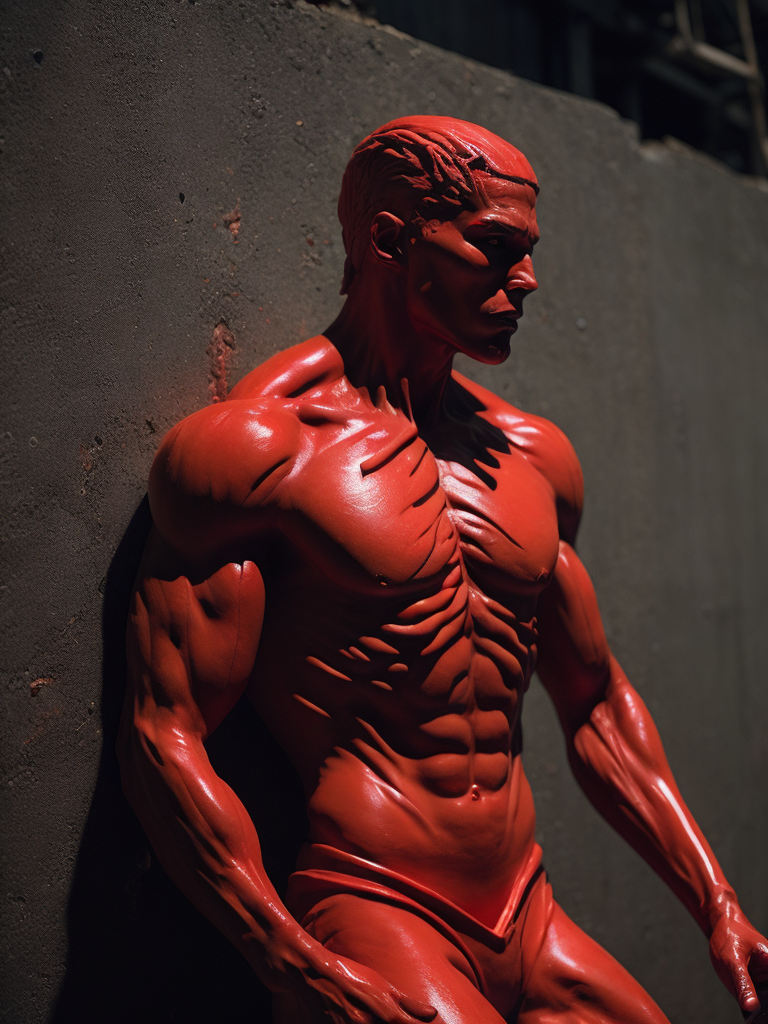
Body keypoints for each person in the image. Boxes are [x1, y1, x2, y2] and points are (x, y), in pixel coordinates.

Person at [118, 116, 768, 1023]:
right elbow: (165, 735)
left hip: (528, 908)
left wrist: (719, 904)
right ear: (390, 239)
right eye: (495, 248)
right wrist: (287, 958)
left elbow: (596, 703)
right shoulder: (264, 454)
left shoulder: (532, 459)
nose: (528, 279)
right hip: (378, 902)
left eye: (527, 251)